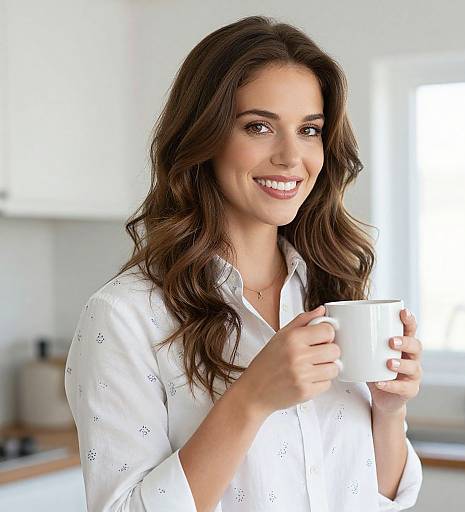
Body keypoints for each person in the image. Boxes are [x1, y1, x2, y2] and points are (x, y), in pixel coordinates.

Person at [64, 15, 423, 512]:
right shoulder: (125, 316)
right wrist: (251, 397)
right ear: (204, 137)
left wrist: (389, 411)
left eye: (309, 130)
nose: (291, 157)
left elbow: (375, 498)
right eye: (259, 126)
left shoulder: (333, 291)